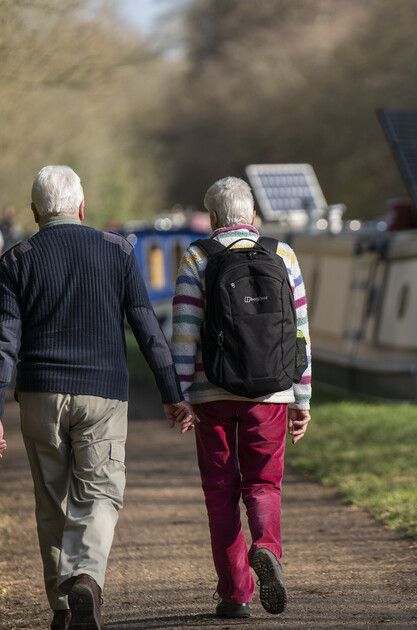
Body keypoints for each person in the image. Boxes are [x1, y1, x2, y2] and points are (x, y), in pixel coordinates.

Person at [0, 165, 196, 630]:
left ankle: (62, 608)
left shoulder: (18, 259)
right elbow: (147, 328)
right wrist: (171, 392)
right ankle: (87, 580)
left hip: (39, 393)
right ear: (82, 206)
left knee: (51, 500)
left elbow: (4, 341)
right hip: (103, 394)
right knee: (100, 492)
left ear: (36, 211)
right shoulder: (117, 252)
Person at [171, 176, 312, 619]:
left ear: (213, 218)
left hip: (212, 391)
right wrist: (302, 398)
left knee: (220, 491)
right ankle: (267, 547)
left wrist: (180, 394)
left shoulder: (197, 256)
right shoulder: (281, 253)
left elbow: (184, 334)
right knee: (263, 484)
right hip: (270, 393)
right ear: (252, 215)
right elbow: (300, 333)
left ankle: (236, 594)